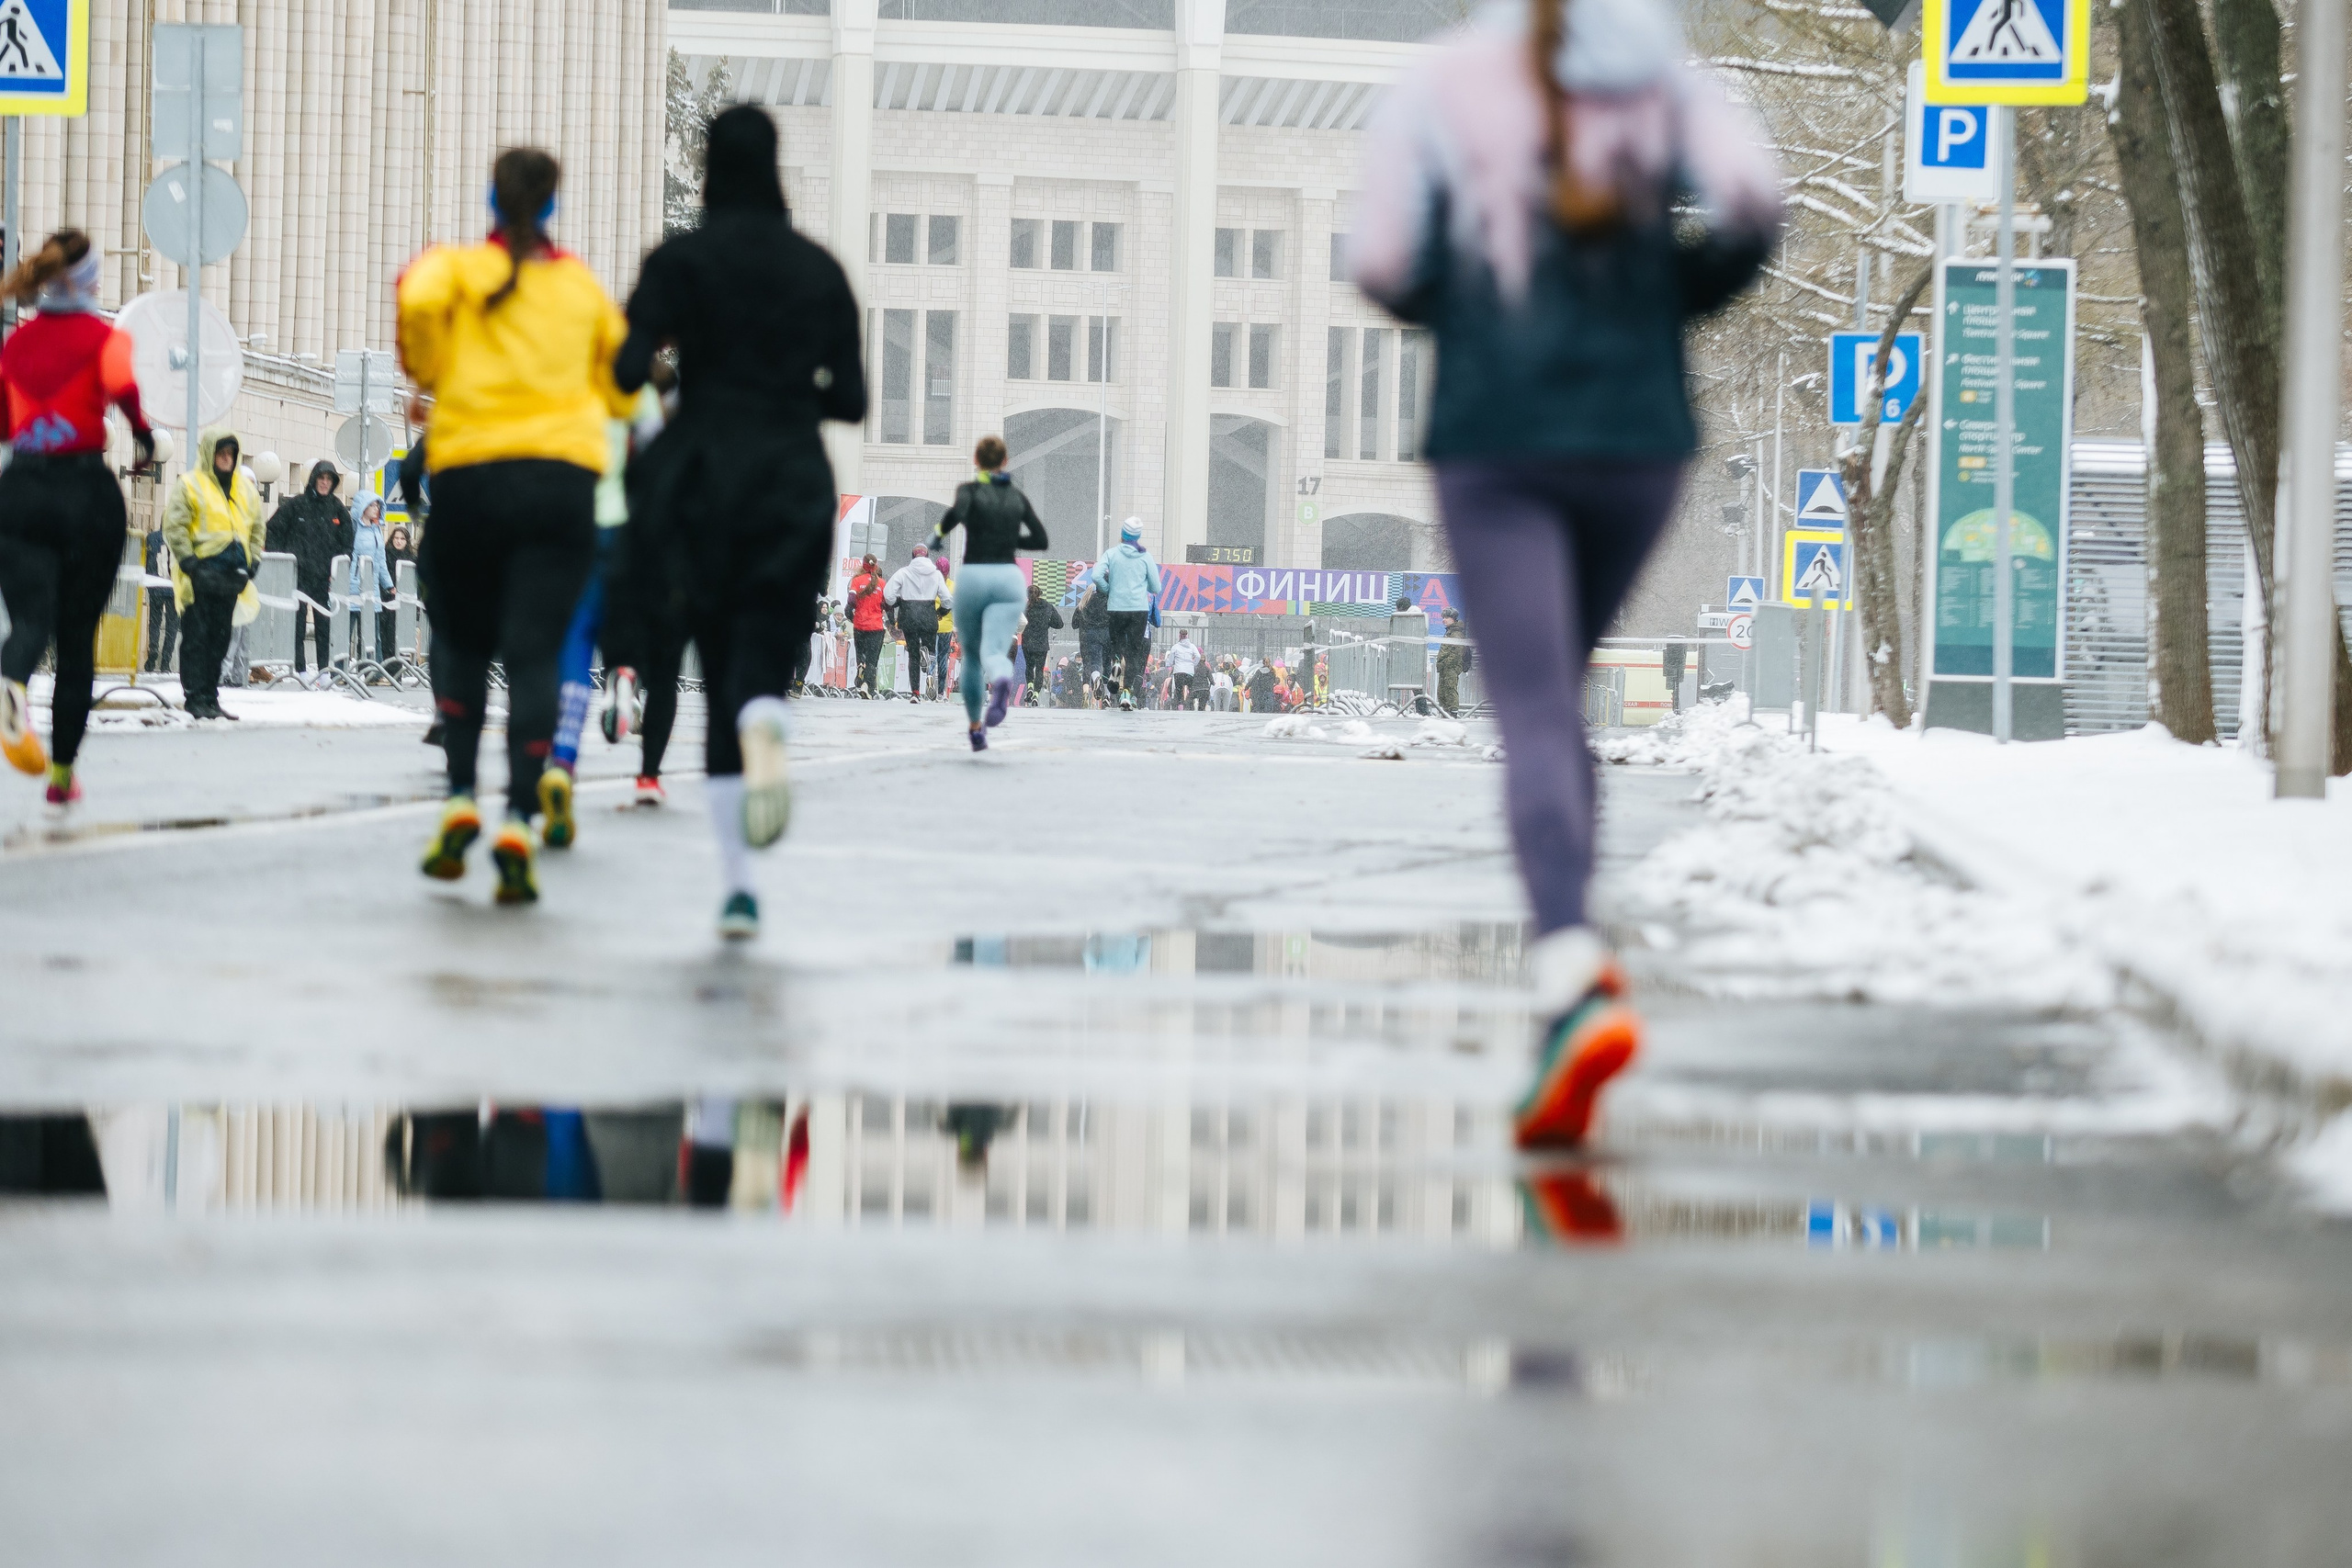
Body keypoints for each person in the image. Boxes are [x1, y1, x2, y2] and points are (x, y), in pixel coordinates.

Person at [1351, 0, 1779, 1147]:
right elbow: (1752, 209)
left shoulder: (1443, 84)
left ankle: (1569, 970)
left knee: (1535, 711)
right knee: (1560, 701)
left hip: (1497, 437)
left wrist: (1477, 308)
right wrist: (1656, 304)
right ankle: (1566, 1007)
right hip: (1640, 436)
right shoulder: (1663, 74)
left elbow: (1382, 259)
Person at [608, 104, 865, 940]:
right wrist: (794, 390)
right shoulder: (818, 271)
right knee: (765, 652)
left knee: (716, 671)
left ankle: (739, 886)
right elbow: (854, 399)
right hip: (792, 478)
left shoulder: (680, 261)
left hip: (701, 481)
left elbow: (622, 364)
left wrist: (691, 376)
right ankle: (770, 717)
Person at [399, 145, 631, 906]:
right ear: (553, 206)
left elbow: (416, 318)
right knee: (535, 651)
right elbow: (622, 388)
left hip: (468, 480)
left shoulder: (455, 272)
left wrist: (438, 373)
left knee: (464, 640)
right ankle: (521, 818)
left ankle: (462, 794)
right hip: (559, 485)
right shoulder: (582, 289)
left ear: (490, 201)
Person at [0, 230, 158, 803]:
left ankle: (9, 683)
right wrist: (142, 440)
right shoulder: (102, 336)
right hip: (85, 495)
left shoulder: (14, 347)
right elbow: (127, 394)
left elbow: (3, 423)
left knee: (30, 623)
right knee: (75, 639)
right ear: (90, 280)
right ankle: (63, 776)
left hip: (19, 492)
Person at [930, 434, 1048, 750]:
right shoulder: (1017, 497)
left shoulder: (969, 491)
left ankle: (975, 728)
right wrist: (1009, 540)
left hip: (974, 575)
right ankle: (1002, 680)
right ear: (1005, 462)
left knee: (970, 656)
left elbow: (954, 516)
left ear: (976, 461)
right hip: (1009, 579)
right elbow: (1040, 539)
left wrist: (936, 536)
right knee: (995, 652)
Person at [164, 427, 264, 724]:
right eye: (221, 453)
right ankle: (195, 697)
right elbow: (175, 525)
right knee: (197, 638)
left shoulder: (244, 489)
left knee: (220, 639)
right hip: (201, 575)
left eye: (230, 453)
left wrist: (253, 562)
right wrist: (190, 562)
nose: (226, 458)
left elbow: (258, 527)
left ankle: (211, 695)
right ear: (210, 454)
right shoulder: (191, 484)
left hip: (232, 576)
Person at [265, 461, 351, 675]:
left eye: (328, 479)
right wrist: (281, 561)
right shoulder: (297, 505)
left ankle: (324, 671)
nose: (324, 483)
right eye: (321, 478)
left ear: (333, 483)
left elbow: (348, 541)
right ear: (314, 479)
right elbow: (273, 529)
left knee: (324, 626)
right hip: (298, 576)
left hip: (324, 578)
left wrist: (339, 566)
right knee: (298, 625)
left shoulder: (337, 508)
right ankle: (300, 670)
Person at [1097, 518, 1159, 710]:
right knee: (1133, 653)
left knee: (1117, 645)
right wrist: (1141, 587)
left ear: (1122, 535)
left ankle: (1116, 661)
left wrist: (1109, 590)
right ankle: (1126, 693)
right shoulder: (1145, 556)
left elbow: (1096, 576)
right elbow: (1156, 586)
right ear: (1138, 537)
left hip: (1116, 607)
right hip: (1139, 610)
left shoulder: (1111, 553)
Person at [884, 543, 945, 701]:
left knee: (913, 655)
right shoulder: (936, 574)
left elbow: (888, 594)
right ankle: (929, 670)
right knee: (930, 650)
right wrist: (941, 612)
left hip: (909, 616)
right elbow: (948, 599)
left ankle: (915, 693)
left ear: (913, 556)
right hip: (928, 616)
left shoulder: (903, 573)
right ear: (927, 556)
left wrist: (898, 602)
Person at [345, 492, 396, 668]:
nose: (377, 509)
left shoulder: (376, 530)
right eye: (373, 505)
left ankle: (372, 670)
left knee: (372, 634)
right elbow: (347, 554)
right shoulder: (352, 527)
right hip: (353, 585)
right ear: (363, 507)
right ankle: (339, 670)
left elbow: (380, 561)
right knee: (346, 632)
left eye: (378, 506)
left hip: (371, 588)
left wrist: (388, 584)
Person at [846, 552, 888, 695]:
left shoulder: (856, 581)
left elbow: (850, 602)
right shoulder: (882, 584)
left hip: (860, 625)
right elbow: (887, 605)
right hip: (875, 626)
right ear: (876, 566)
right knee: (872, 659)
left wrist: (851, 615)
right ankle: (867, 686)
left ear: (863, 565)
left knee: (861, 651)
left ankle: (860, 665)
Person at [141, 524, 177, 673]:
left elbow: (146, 560)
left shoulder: (151, 538)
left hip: (155, 587)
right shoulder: (179, 539)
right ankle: (165, 662)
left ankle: (153, 650)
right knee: (172, 626)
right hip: (174, 589)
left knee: (154, 623)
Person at [1020, 581, 1060, 702]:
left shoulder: (1024, 607)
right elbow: (1059, 624)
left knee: (1029, 666)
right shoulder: (1048, 606)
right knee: (1039, 669)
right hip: (1042, 644)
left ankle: (1030, 687)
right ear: (1040, 594)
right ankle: (1036, 696)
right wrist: (1047, 623)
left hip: (1027, 642)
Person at [382, 522, 415, 666]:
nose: (398, 541)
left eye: (402, 539)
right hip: (387, 601)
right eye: (396, 538)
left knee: (399, 637)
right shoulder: (385, 555)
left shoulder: (412, 559)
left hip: (404, 604)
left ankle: (396, 669)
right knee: (386, 636)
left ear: (407, 541)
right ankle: (388, 667)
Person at [1073, 579, 1110, 705]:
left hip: (1089, 637)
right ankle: (1107, 695)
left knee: (1093, 663)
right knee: (1107, 663)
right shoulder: (1109, 600)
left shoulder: (1085, 602)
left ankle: (1095, 679)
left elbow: (1074, 624)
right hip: (1107, 634)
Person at [1434, 606, 1469, 713]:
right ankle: (1447, 712)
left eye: (1446, 617)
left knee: (1449, 690)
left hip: (1451, 668)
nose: (1443, 620)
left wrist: (1445, 663)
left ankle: (1452, 713)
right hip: (1446, 667)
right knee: (1442, 692)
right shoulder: (1450, 632)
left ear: (1453, 618)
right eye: (1443, 617)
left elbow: (1456, 653)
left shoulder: (1456, 633)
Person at [1167, 628, 1203, 709]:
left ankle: (1180, 704)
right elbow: (1198, 656)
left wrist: (1173, 664)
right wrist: (1193, 664)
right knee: (1190, 688)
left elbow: (1170, 660)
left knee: (1179, 690)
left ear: (1179, 636)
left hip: (1179, 671)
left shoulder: (1175, 647)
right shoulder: (1192, 646)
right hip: (1189, 671)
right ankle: (1190, 704)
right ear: (1187, 636)